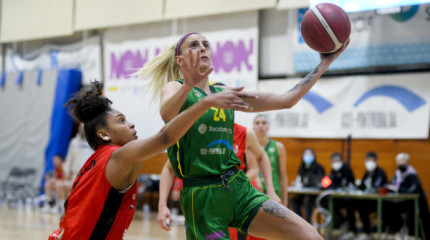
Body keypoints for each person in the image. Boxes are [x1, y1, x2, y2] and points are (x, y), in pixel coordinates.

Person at [139, 31, 348, 239]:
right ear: (180, 60)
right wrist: (190, 86)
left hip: (237, 187)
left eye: (206, 44)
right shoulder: (175, 87)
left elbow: (286, 100)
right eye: (194, 45)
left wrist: (324, 63)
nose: (202, 48)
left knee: (309, 235)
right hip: (202, 195)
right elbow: (166, 113)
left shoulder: (224, 91)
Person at [48, 81, 253, 240]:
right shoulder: (117, 155)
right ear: (104, 134)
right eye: (121, 121)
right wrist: (206, 102)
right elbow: (165, 137)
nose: (131, 124)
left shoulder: (96, 161)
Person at [157, 123, 281, 240]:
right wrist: (162, 205)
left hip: (235, 201)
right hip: (202, 204)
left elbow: (260, 158)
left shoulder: (244, 133)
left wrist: (270, 190)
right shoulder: (196, 131)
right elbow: (169, 168)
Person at [384, 153, 430, 239]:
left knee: (404, 210)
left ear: (407, 163)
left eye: (404, 161)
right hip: (400, 202)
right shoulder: (396, 176)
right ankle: (397, 231)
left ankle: (410, 234)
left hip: (414, 204)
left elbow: (413, 191)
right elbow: (392, 186)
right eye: (400, 161)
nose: (401, 163)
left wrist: (398, 189)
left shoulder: (412, 175)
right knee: (387, 206)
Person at [55, 122, 94, 214]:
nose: (82, 130)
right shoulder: (74, 142)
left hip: (89, 175)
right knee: (67, 190)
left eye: (84, 128)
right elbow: (69, 159)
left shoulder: (93, 143)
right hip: (75, 175)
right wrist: (67, 174)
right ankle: (63, 209)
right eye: (80, 128)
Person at [253, 114, 288, 206]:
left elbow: (283, 176)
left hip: (274, 192)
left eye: (264, 123)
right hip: (254, 193)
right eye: (257, 123)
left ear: (268, 127)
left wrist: (285, 200)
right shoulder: (249, 147)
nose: (261, 126)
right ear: (253, 128)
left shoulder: (278, 147)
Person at [355, 151, 387, 240]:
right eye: (367, 160)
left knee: (364, 206)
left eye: (371, 160)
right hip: (369, 201)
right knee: (359, 206)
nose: (369, 163)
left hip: (380, 202)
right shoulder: (367, 173)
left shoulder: (380, 172)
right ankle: (366, 233)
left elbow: (378, 187)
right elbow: (362, 186)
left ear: (376, 161)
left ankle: (382, 231)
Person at [327, 152, 357, 240]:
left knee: (349, 204)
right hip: (337, 197)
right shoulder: (333, 171)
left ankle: (351, 230)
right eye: (333, 161)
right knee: (326, 202)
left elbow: (350, 184)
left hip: (348, 197)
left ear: (342, 161)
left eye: (337, 160)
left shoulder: (347, 170)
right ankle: (342, 221)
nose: (336, 163)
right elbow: (328, 183)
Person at [291, 147, 325, 223]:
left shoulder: (318, 167)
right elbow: (300, 180)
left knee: (307, 201)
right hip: (304, 194)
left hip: (315, 196)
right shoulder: (302, 167)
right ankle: (299, 222)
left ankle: (308, 224)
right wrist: (296, 183)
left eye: (309, 154)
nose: (307, 156)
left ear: (313, 156)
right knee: (294, 200)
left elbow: (319, 182)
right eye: (305, 154)